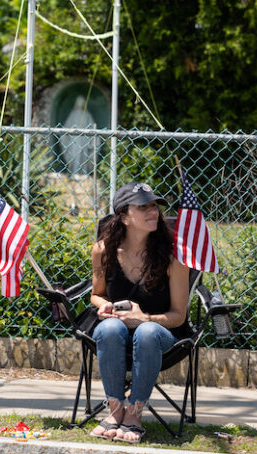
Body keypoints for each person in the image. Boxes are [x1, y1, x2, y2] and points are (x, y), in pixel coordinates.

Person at [89, 182, 190, 443]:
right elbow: (96, 294)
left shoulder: (173, 256)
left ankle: (133, 414)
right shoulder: (103, 250)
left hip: (163, 333)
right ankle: (115, 410)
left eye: (154, 205)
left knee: (146, 331)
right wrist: (105, 307)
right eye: (143, 206)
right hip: (117, 330)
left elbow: (179, 315)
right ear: (123, 216)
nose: (153, 211)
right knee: (109, 328)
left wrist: (144, 318)